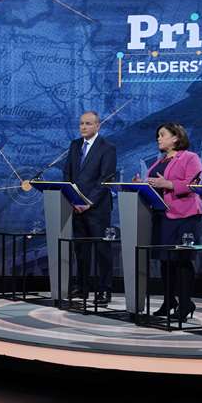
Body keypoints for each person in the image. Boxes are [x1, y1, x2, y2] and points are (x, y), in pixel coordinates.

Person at [143, 122, 202, 322]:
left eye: (162, 135)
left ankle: (186, 303)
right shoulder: (159, 161)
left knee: (181, 261)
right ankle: (169, 301)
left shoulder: (190, 157)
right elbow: (154, 184)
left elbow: (194, 184)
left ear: (176, 138)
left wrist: (167, 184)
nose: (158, 139)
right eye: (157, 136)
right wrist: (142, 185)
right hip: (161, 216)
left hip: (185, 215)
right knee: (165, 261)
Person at [62, 110, 117, 303]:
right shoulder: (75, 145)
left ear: (97, 126)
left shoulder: (107, 147)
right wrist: (74, 200)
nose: (83, 127)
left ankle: (104, 289)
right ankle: (82, 288)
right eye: (81, 124)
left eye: (88, 124)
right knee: (81, 250)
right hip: (76, 207)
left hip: (98, 209)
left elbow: (106, 179)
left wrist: (87, 202)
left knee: (102, 250)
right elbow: (67, 174)